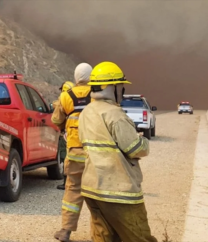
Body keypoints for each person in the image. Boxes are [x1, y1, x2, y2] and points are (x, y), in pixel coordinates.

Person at [78, 61, 157, 242]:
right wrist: (142, 140)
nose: (121, 91)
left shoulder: (86, 112)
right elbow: (135, 149)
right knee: (139, 237)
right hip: (119, 191)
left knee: (104, 238)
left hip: (92, 188)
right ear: (110, 88)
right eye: (119, 86)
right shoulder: (115, 114)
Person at [52, 63, 93, 242]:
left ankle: (66, 231)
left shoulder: (66, 97)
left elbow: (56, 119)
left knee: (72, 190)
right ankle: (102, 233)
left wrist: (65, 124)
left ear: (76, 78)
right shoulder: (98, 94)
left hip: (75, 151)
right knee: (99, 193)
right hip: (96, 152)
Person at [54, 81, 75, 190]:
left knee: (65, 158)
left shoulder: (63, 99)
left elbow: (56, 119)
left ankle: (66, 182)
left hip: (66, 134)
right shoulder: (79, 99)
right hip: (78, 135)